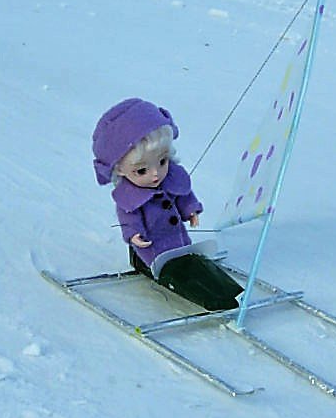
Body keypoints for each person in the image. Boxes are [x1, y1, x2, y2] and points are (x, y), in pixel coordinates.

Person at [92, 98, 242, 311]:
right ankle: (215, 297)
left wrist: (190, 210)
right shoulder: (129, 197)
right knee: (177, 271)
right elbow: (129, 219)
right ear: (119, 170)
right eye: (141, 170)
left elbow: (183, 196)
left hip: (179, 240)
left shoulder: (170, 178)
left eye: (162, 161)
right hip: (152, 250)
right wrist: (134, 235)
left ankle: (227, 290)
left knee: (190, 262)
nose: (155, 174)